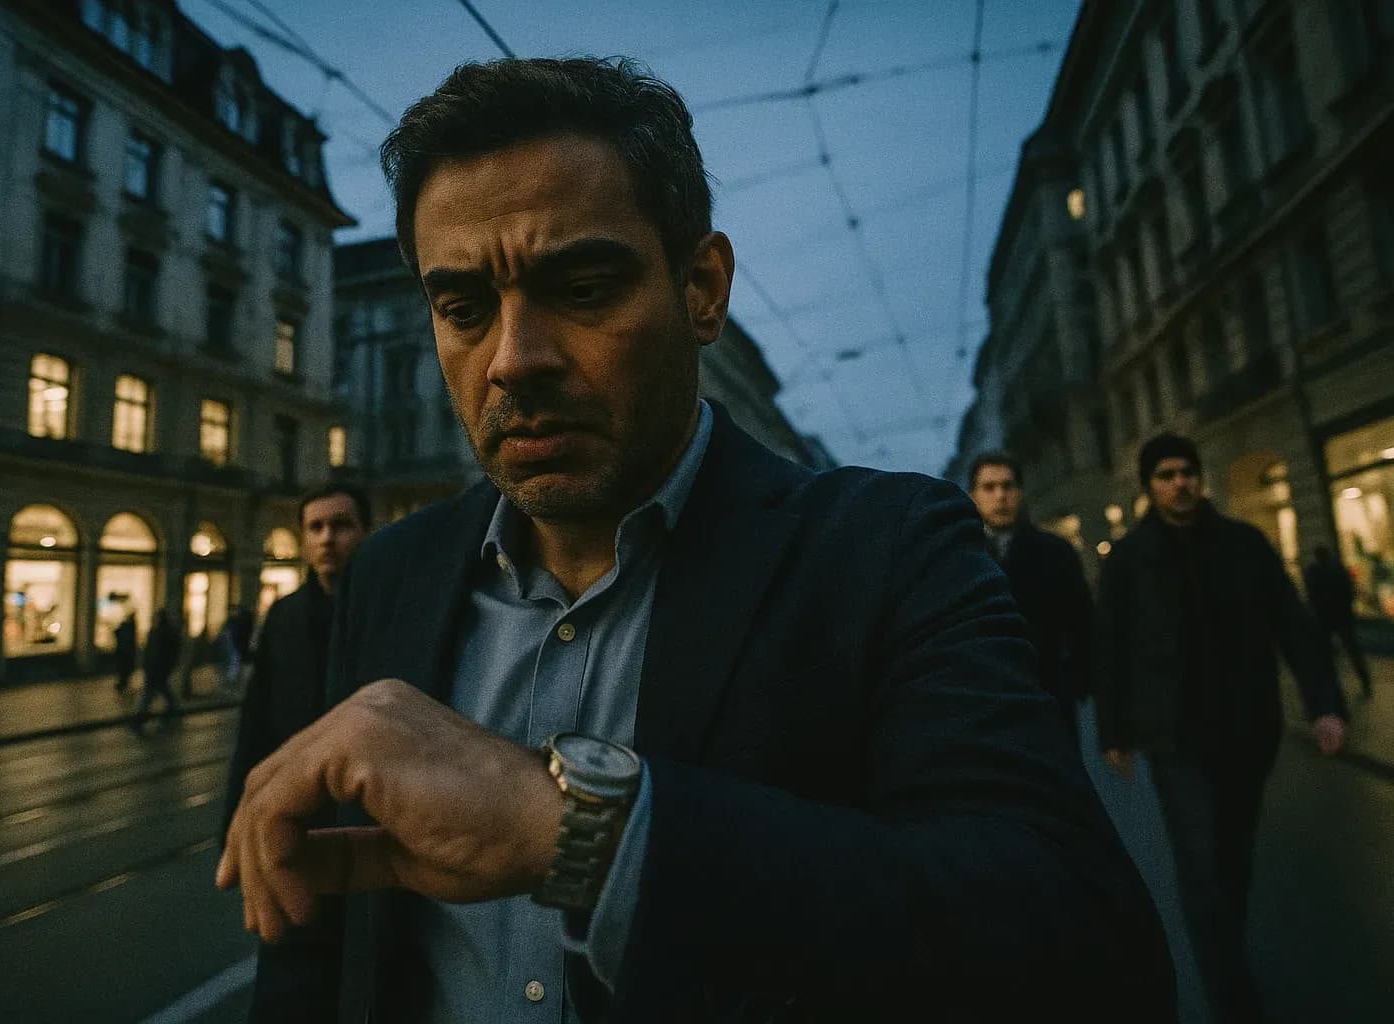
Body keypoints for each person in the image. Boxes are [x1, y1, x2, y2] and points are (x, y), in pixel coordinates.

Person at [219, 57, 1173, 1022]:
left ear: (703, 288)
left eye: (583, 287)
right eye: (462, 308)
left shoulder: (886, 549)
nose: (514, 360)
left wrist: (581, 832)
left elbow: (1082, 944)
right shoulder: (393, 573)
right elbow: (314, 934)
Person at [1093, 432, 1348, 1024]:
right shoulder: (1130, 558)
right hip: (1172, 736)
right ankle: (1232, 998)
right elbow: (1110, 645)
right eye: (1166, 475)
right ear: (1150, 486)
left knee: (1232, 858)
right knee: (1202, 864)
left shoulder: (1244, 544)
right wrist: (1114, 728)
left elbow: (1294, 626)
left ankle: (1225, 954)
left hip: (1246, 729)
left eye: (1187, 472)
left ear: (1200, 478)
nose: (1179, 483)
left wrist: (1324, 704)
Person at [222, 485, 369, 1023]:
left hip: (367, 825)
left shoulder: (386, 607)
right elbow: (255, 723)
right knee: (289, 977)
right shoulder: (284, 616)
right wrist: (236, 822)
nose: (328, 538)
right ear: (305, 540)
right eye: (316, 527)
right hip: (294, 824)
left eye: (342, 524)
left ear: (364, 532)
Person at [968, 452, 1093, 735]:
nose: (1000, 496)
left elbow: (1082, 622)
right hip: (984, 698)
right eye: (989, 487)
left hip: (1047, 691)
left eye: (1008, 486)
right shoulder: (961, 558)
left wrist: (1078, 678)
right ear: (973, 495)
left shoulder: (1055, 551)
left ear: (1020, 492)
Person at [1304, 544, 1373, 697]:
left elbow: (1311, 594)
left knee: (1326, 655)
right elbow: (1350, 590)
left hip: (1324, 617)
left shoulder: (1313, 571)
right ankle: (1365, 682)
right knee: (1353, 650)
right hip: (1342, 616)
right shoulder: (1339, 569)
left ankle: (1331, 690)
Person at [134, 607, 181, 729]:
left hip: (157, 668)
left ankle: (141, 716)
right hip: (157, 668)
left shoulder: (162, 633)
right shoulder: (161, 632)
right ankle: (173, 708)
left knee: (149, 693)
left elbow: (156, 652)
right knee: (162, 689)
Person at [220, 605, 256, 692]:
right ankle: (232, 683)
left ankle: (231, 683)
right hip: (236, 647)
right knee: (234, 666)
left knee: (234, 666)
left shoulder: (234, 623)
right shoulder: (236, 623)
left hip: (235, 647)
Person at [112, 605, 138, 693]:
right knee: (125, 670)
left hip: (124, 653)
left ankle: (122, 684)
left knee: (124, 671)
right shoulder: (131, 626)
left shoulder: (128, 626)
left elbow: (117, 633)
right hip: (126, 653)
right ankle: (122, 684)